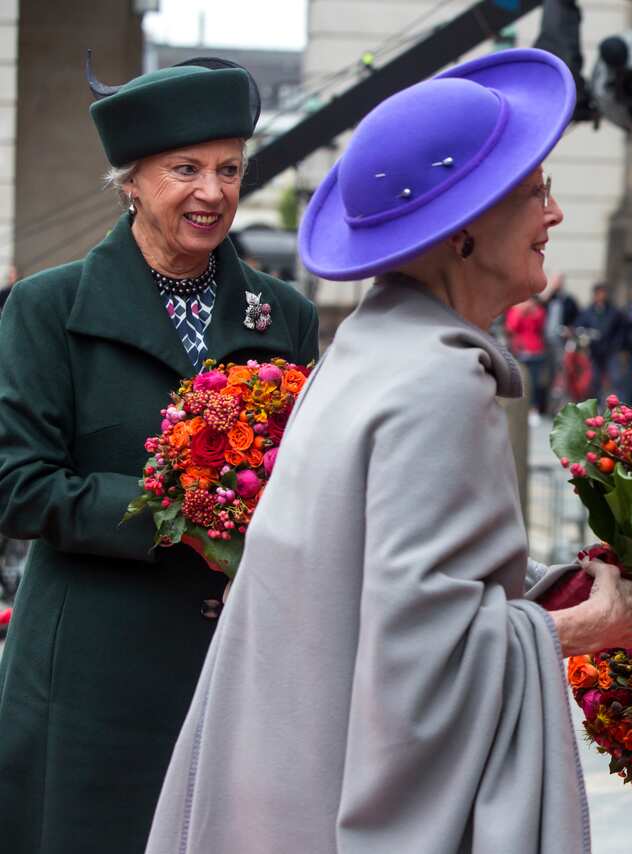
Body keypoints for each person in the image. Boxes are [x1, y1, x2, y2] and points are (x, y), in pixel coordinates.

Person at [145, 48, 632, 854]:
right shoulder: (438, 382)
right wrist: (594, 625)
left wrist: (544, 587)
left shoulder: (369, 347)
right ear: (462, 234)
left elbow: (371, 582)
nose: (552, 215)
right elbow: (427, 652)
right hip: (340, 802)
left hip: (286, 784)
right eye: (534, 192)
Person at [0, 57, 318, 854]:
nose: (211, 192)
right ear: (130, 182)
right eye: (185, 169)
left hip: (233, 668)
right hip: (87, 681)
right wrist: (182, 509)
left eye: (229, 169)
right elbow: (19, 485)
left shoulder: (284, 317)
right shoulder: (48, 309)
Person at [506, 296, 549, 417]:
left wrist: (532, 312)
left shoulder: (538, 311)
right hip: (520, 351)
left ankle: (533, 408)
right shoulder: (515, 311)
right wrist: (520, 312)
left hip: (536, 351)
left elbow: (541, 325)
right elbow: (511, 327)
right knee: (521, 381)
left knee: (534, 383)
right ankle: (521, 407)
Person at [579, 281, 623, 399]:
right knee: (594, 380)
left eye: (603, 293)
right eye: (598, 293)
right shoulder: (587, 311)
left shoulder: (614, 311)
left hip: (610, 350)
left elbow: (620, 330)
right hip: (595, 351)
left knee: (616, 379)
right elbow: (580, 327)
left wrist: (616, 344)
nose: (601, 296)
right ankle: (595, 405)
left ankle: (619, 406)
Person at [541, 271, 580, 406]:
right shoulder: (549, 299)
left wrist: (570, 329)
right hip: (545, 341)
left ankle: (561, 403)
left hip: (562, 342)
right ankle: (545, 405)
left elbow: (577, 318)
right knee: (547, 374)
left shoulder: (569, 300)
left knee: (562, 371)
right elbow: (540, 307)